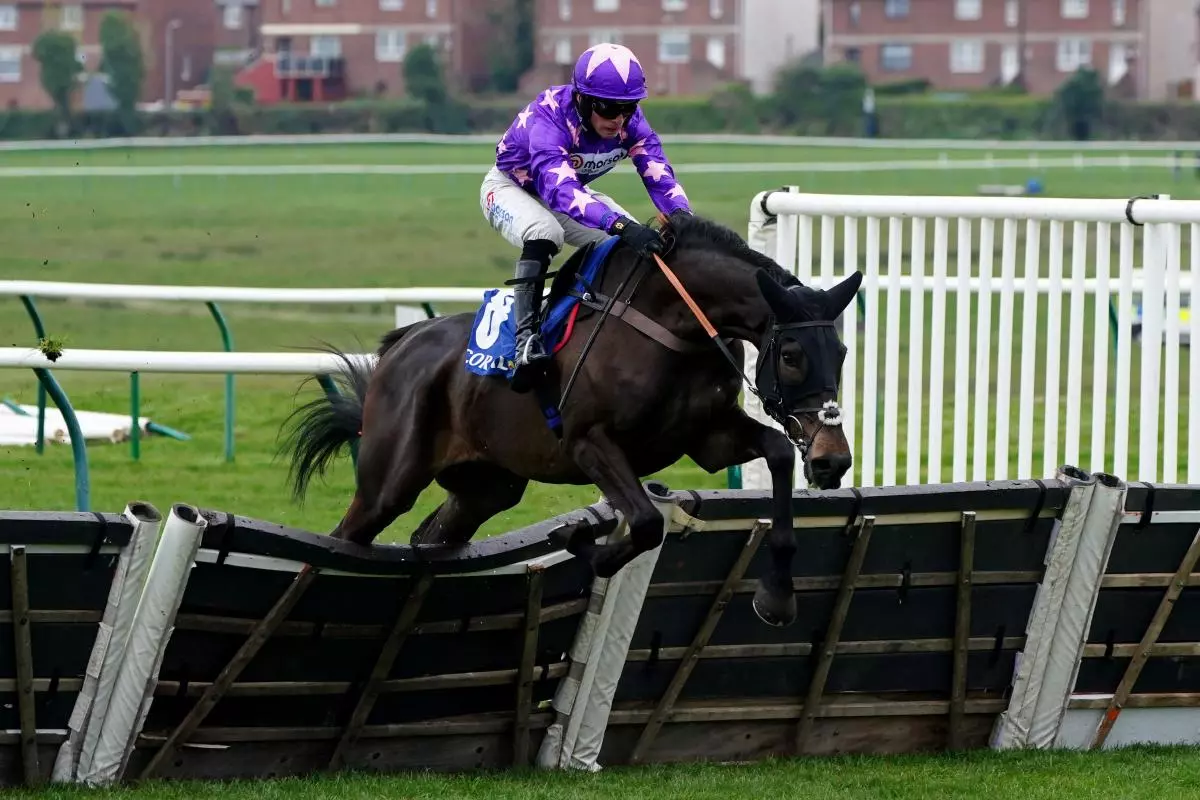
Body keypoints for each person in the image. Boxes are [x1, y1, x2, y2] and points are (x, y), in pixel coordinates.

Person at [480, 42, 693, 391]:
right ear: (582, 98)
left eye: (628, 108)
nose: (618, 119)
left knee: (627, 247)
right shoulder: (548, 117)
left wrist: (684, 219)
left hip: (568, 192)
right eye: (609, 108)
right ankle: (526, 343)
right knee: (545, 232)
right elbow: (560, 190)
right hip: (510, 189)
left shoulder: (630, 123)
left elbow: (659, 175)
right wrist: (622, 225)